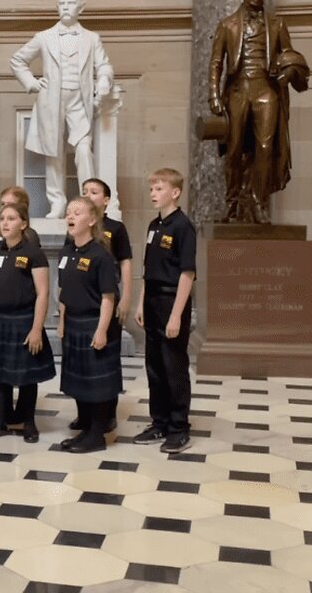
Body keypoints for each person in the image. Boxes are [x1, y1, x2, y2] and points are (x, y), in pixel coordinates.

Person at [208, 0, 309, 223]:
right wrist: (213, 95)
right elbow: (216, 63)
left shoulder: (277, 24)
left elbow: (291, 58)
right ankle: (231, 204)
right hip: (238, 89)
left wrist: (285, 76)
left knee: (265, 147)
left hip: (267, 90)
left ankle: (258, 202)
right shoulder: (227, 24)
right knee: (234, 149)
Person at [10, 0, 116, 219]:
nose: (65, 8)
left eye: (70, 3)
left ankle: (88, 200)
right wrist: (31, 82)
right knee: (54, 151)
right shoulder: (44, 37)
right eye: (62, 4)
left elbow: (104, 65)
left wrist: (105, 80)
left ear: (81, 7)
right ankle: (57, 202)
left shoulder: (91, 38)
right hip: (52, 100)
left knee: (83, 149)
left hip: (80, 99)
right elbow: (18, 60)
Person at [0, 203, 56, 444]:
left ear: (23, 224)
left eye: (11, 218)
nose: (5, 223)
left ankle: (28, 423)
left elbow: (43, 293)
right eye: (2, 219)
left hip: (23, 319)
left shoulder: (33, 253)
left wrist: (35, 328)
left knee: (26, 376)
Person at [133, 168, 197, 454]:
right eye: (151, 189)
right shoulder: (153, 226)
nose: (153, 194)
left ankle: (178, 426)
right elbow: (148, 270)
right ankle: (159, 421)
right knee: (154, 366)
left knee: (174, 366)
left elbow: (187, 273)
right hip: (152, 300)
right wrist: (140, 302)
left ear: (175, 192)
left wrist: (175, 315)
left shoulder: (183, 226)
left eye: (159, 189)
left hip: (173, 302)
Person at [56, 197, 120, 454]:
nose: (70, 217)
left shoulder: (100, 254)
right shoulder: (67, 252)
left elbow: (108, 297)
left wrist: (102, 329)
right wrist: (62, 320)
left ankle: (97, 435)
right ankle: (85, 429)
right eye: (68, 212)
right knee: (79, 381)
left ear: (92, 220)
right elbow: (64, 291)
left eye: (77, 213)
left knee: (96, 384)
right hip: (73, 322)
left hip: (94, 322)